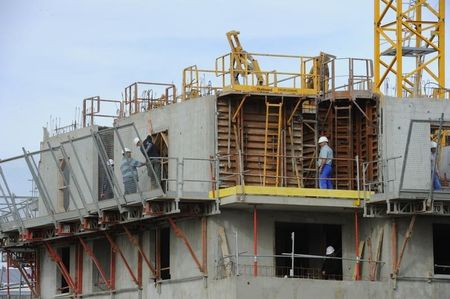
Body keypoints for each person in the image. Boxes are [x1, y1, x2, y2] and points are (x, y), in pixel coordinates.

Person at [134, 120, 161, 188]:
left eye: (138, 143)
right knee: (152, 174)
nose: (139, 144)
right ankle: (155, 186)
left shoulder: (145, 143)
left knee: (155, 173)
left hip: (154, 159)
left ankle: (157, 187)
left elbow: (150, 132)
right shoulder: (143, 145)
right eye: (138, 144)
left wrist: (149, 123)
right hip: (152, 160)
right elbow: (149, 132)